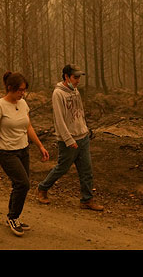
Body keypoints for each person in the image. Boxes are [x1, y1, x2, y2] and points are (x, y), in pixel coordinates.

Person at [0, 71, 50, 236]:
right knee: (23, 184)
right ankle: (13, 217)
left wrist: (40, 146)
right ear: (10, 88)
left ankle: (12, 216)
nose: (22, 93)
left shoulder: (23, 104)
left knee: (19, 185)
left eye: (24, 90)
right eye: (20, 90)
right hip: (7, 152)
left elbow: (28, 127)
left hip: (23, 150)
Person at [36, 64, 104, 211]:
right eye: (75, 77)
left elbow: (80, 112)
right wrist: (68, 139)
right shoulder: (58, 93)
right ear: (66, 77)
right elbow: (59, 120)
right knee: (62, 168)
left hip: (82, 137)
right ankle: (42, 188)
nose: (78, 80)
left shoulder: (76, 91)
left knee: (87, 170)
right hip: (68, 140)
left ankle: (87, 200)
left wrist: (85, 129)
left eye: (79, 77)